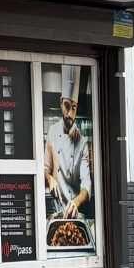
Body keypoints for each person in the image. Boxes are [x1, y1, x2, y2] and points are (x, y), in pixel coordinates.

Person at [44, 71, 93, 223]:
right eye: (66, 106)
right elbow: (45, 168)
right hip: (56, 208)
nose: (70, 114)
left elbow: (86, 184)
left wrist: (76, 202)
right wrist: (50, 178)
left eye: (74, 108)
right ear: (61, 103)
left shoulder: (82, 143)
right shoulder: (52, 132)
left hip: (74, 211)